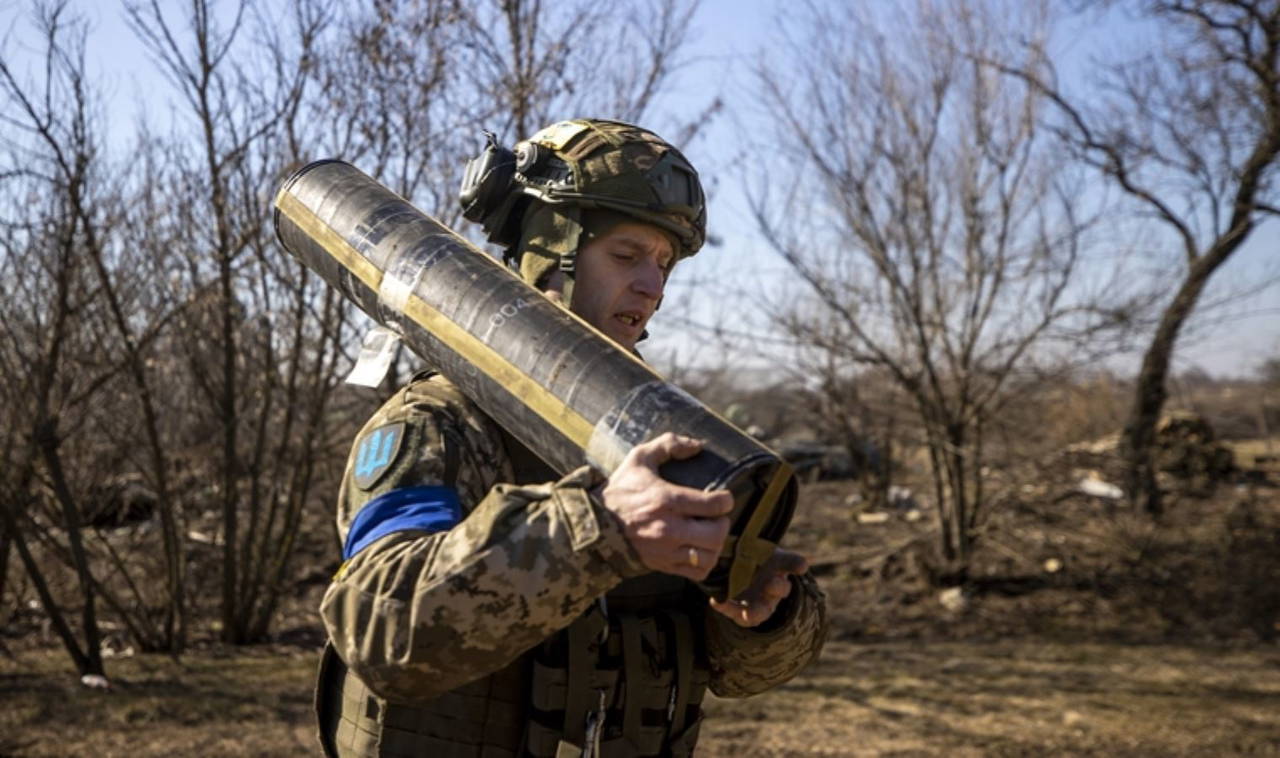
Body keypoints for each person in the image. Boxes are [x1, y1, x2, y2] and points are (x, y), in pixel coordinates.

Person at [316, 118, 828, 758]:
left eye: (664, 264)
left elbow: (739, 674)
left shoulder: (656, 434)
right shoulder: (439, 423)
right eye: (625, 255)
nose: (652, 285)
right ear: (549, 251)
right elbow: (381, 628)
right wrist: (602, 527)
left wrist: (764, 612)